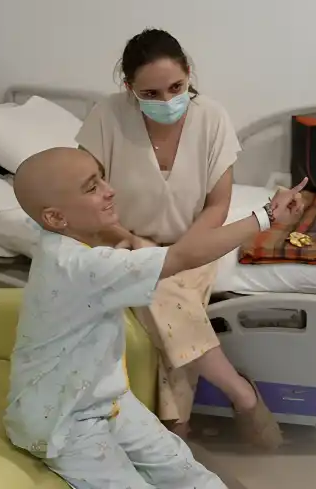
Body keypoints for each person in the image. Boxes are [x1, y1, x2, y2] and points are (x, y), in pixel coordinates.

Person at [4, 147, 305, 488]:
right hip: (62, 420)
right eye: (92, 187)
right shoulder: (78, 265)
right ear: (56, 218)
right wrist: (267, 215)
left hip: (109, 400)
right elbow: (183, 256)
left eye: (102, 177)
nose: (109, 189)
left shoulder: (74, 242)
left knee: (189, 472)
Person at [76, 28, 279, 448]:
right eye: (150, 93)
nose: (167, 101)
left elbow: (218, 205)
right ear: (129, 88)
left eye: (176, 87)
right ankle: (238, 394)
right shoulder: (107, 117)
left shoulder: (212, 118)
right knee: (162, 290)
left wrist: (182, 253)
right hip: (124, 241)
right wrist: (130, 241)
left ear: (189, 74)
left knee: (165, 291)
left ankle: (174, 435)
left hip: (196, 242)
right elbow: (87, 197)